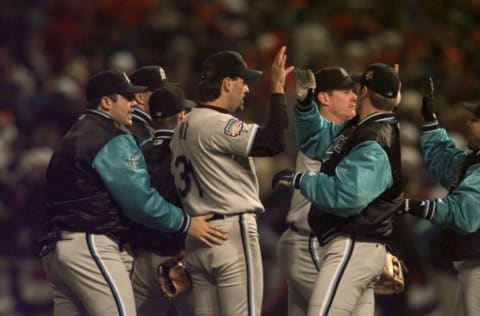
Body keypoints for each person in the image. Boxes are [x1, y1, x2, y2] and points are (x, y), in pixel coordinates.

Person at [40, 70, 227, 316]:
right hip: (90, 243)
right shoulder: (110, 137)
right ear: (106, 102)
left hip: (56, 248)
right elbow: (141, 202)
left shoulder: (71, 136)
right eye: (126, 98)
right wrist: (186, 223)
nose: (134, 102)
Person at [170, 46, 293, 316]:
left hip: (198, 236)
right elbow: (273, 142)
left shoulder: (181, 126)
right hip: (231, 231)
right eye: (243, 81)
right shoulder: (218, 123)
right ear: (227, 83)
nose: (247, 89)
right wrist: (277, 90)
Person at [273, 63, 403, 315]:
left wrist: (300, 180)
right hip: (345, 242)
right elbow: (315, 139)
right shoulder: (360, 127)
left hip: (353, 242)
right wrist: (304, 103)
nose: (354, 94)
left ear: (364, 91)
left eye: (356, 89)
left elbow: (347, 195)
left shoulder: (373, 135)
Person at [276, 66, 357, 316]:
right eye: (345, 91)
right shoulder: (320, 135)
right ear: (323, 98)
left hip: (313, 242)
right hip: (309, 242)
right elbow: (310, 124)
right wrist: (304, 104)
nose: (353, 96)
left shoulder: (344, 134)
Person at [397, 77, 480, 316]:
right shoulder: (473, 160)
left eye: (476, 120)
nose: (468, 124)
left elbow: (465, 214)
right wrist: (430, 123)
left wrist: (417, 206)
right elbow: (446, 164)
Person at [129, 85, 193, 316]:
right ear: (181, 116)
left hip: (143, 258)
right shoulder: (186, 151)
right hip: (178, 258)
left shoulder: (136, 152)